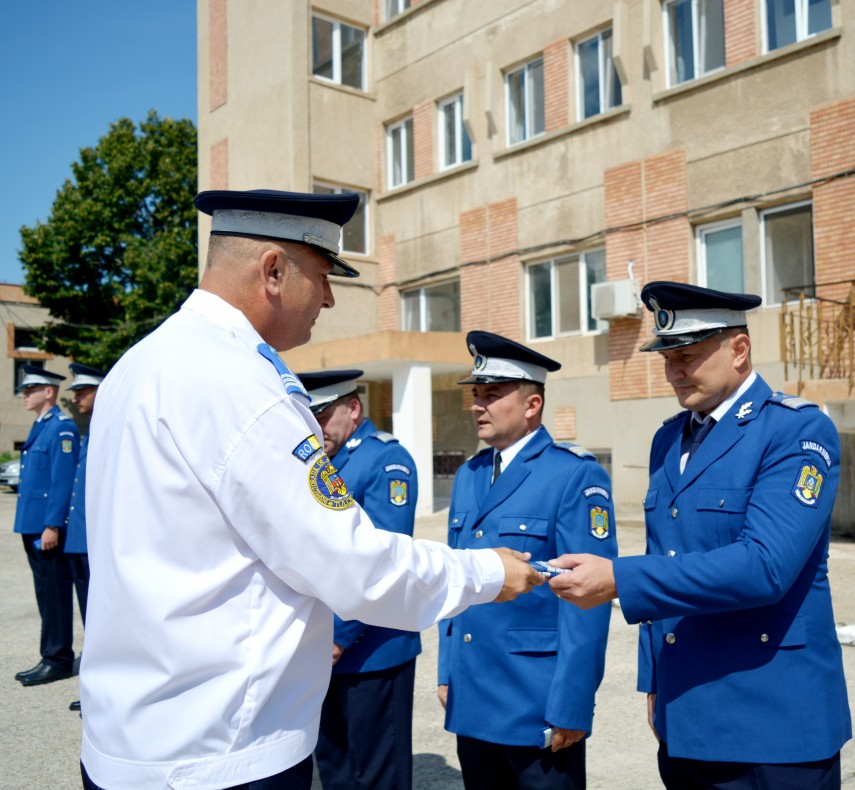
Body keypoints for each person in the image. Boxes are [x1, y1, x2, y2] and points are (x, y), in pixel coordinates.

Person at [79, 189, 544, 790]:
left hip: (132, 742)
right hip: (221, 751)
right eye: (323, 276)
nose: (327, 298)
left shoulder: (140, 365)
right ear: (273, 271)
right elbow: (352, 564)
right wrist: (485, 574)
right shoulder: (237, 382)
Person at [549, 281, 852, 789]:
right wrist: (654, 681)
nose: (675, 370)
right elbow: (666, 553)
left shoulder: (794, 431)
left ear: (739, 349)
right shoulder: (669, 438)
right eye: (668, 358)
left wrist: (620, 579)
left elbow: (764, 567)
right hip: (686, 716)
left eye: (688, 355)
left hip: (772, 726)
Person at [437, 331, 617, 790]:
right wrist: (447, 670)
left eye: (492, 395)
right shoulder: (470, 474)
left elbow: (588, 599)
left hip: (535, 700)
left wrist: (573, 703)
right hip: (474, 693)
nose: (478, 405)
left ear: (532, 404)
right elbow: (454, 575)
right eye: (476, 395)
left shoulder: (573, 474)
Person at [298, 369, 421, 790]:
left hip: (372, 650)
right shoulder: (319, 461)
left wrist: (337, 636)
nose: (314, 427)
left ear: (353, 409)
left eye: (321, 415)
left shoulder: (385, 460)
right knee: (334, 768)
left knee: (376, 776)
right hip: (321, 647)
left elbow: (383, 562)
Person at [13, 365, 80, 687]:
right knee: (44, 592)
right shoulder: (41, 426)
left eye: (30, 390)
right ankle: (51, 654)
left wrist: (53, 524)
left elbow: (61, 480)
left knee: (54, 593)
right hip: (32, 524)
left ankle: (57, 658)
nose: (25, 395)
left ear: (49, 392)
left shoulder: (61, 428)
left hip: (46, 527)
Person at [64, 362, 106, 713]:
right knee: (89, 619)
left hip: (98, 541)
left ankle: (103, 691)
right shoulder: (90, 431)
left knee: (103, 621)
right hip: (80, 539)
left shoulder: (108, 430)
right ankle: (94, 688)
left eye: (82, 392)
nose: (76, 398)